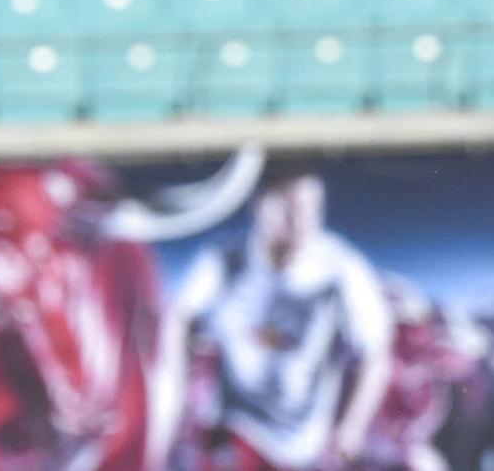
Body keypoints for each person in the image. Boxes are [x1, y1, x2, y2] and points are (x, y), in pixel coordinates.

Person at [164, 173, 392, 470]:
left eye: (311, 209)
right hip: (233, 428)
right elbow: (178, 318)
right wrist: (178, 399)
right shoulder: (224, 259)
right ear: (259, 206)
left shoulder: (342, 270)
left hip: (300, 442)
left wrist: (352, 428)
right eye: (288, 208)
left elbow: (376, 354)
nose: (300, 221)